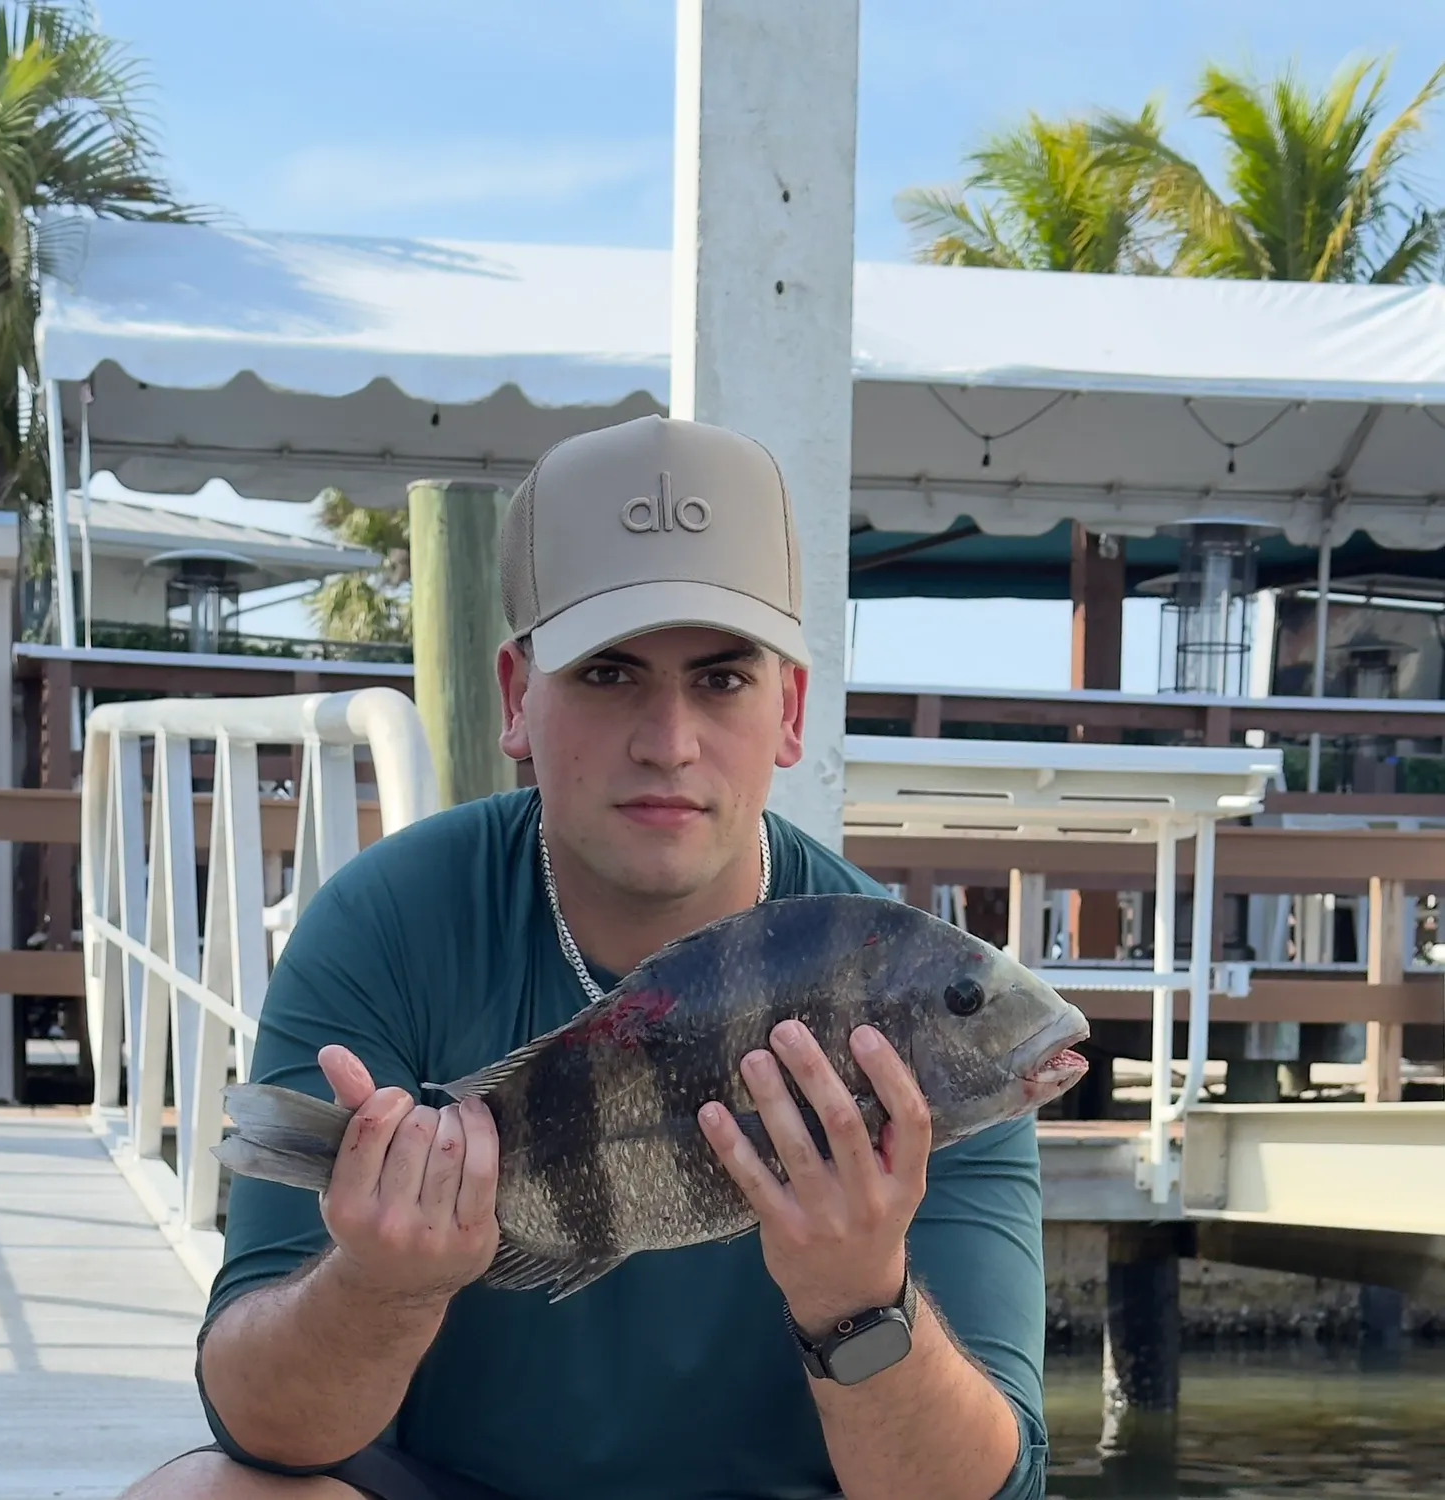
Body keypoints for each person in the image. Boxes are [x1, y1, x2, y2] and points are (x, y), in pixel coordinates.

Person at [125, 414, 1052, 1500]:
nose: (668, 738)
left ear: (790, 709)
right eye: (611, 675)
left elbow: (987, 1492)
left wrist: (859, 1301)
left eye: (720, 681)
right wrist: (381, 1287)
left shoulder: (910, 993)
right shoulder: (390, 921)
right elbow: (261, 1428)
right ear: (519, 697)